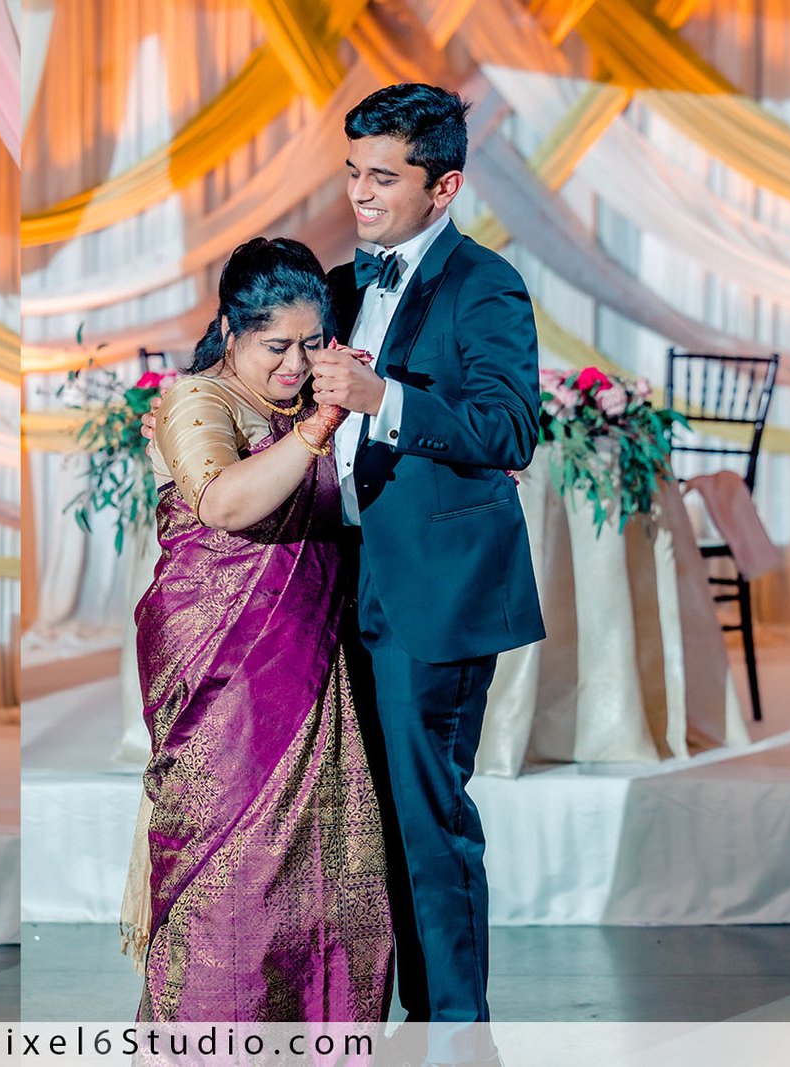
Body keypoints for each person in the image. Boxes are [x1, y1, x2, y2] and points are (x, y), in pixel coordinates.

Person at [308, 84, 545, 1066]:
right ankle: (405, 1014)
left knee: (427, 812)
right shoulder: (337, 282)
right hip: (337, 579)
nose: (358, 193)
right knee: (371, 816)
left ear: (443, 186)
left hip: (433, 589)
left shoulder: (484, 284)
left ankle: (454, 1027)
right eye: (352, 172)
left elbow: (510, 427)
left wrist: (386, 397)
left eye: (382, 176)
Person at [133, 237, 393, 1022]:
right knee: (231, 878)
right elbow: (222, 503)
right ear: (230, 330)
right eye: (276, 345)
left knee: (330, 875)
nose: (295, 362)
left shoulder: (305, 405)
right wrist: (317, 429)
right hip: (225, 680)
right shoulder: (199, 399)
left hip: (311, 664)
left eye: (312, 343)